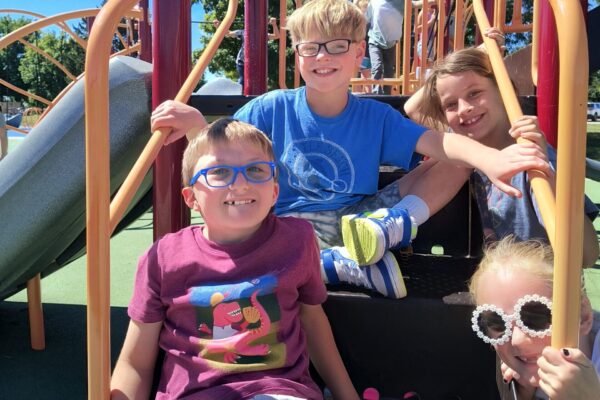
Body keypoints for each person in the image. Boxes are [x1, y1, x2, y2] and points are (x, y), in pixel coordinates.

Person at [151, 0, 550, 299]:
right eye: (311, 48)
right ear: (298, 55)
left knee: (457, 160)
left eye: (337, 46)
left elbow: (438, 142)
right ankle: (334, 265)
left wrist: (492, 158)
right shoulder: (272, 107)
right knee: (261, 237)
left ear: (360, 53)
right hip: (287, 226)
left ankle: (388, 228)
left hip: (358, 222)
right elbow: (222, 154)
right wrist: (197, 127)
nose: (322, 56)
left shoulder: (374, 117)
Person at [110, 118, 359, 400]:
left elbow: (313, 321)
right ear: (191, 197)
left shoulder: (297, 240)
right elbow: (135, 363)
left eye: (255, 169)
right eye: (219, 172)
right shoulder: (164, 258)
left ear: (274, 191)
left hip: (276, 391)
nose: (240, 183)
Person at [403, 38, 599, 267]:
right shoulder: (468, 147)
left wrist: (548, 175)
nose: (464, 109)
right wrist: (481, 52)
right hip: (503, 281)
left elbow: (587, 254)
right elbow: (412, 108)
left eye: (474, 93)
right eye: (450, 105)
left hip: (546, 288)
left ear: (504, 91)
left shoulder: (529, 157)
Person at [469, 236, 600, 400]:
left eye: (535, 317)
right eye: (496, 322)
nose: (517, 340)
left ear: (583, 316)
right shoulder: (512, 373)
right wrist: (524, 393)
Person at [215, 17, 280, 86]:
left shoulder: (262, 34)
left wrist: (274, 24)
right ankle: (239, 94)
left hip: (254, 63)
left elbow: (276, 36)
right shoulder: (243, 32)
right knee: (242, 80)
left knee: (256, 81)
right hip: (241, 61)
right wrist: (219, 26)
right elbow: (228, 33)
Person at [365, 0, 404, 94]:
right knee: (377, 67)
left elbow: (414, 5)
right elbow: (366, 18)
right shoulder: (374, 2)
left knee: (389, 70)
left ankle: (387, 94)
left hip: (390, 42)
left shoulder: (400, 2)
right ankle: (376, 93)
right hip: (375, 40)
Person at [353, 0, 372, 94]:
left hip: (366, 53)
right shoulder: (360, 24)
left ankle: (365, 93)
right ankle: (362, 93)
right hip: (364, 52)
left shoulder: (362, 24)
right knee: (363, 75)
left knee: (364, 76)